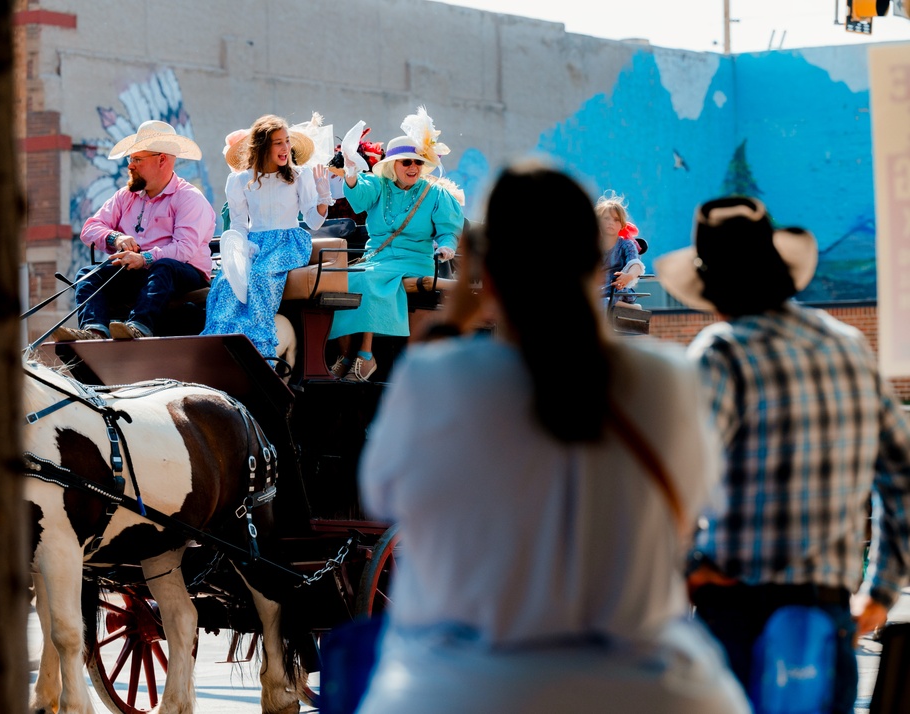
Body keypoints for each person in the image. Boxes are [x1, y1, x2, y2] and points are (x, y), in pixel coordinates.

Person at [352, 160, 750, 713]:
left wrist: (451, 322)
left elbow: (383, 497)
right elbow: (690, 516)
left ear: (487, 275)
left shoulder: (438, 376)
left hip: (458, 689)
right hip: (648, 688)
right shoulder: (667, 380)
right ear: (595, 261)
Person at [653, 195, 910, 713]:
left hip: (737, 612)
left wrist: (685, 565)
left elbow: (674, 480)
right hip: (829, 612)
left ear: (712, 289)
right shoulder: (852, 347)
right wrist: (881, 590)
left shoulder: (722, 351)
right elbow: (902, 476)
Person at [327, 107, 465, 382]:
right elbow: (360, 195)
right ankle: (345, 355)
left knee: (369, 279)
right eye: (405, 163)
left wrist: (447, 247)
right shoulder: (380, 184)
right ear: (393, 165)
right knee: (338, 282)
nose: (413, 167)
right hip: (376, 257)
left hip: (415, 259)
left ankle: (366, 357)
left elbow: (449, 231)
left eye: (417, 162)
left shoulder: (436, 193)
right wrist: (351, 175)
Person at [53, 120, 216, 341]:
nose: (130, 166)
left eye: (137, 160)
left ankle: (139, 327)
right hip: (139, 272)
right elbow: (90, 228)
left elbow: (184, 250)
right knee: (87, 275)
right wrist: (116, 237)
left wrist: (143, 258)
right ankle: (95, 332)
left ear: (161, 160)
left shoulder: (189, 198)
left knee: (164, 266)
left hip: (182, 274)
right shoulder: (125, 196)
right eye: (131, 159)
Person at [200, 114, 332, 359]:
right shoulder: (239, 180)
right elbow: (239, 224)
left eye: (287, 141)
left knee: (260, 277)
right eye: (278, 142)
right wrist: (243, 245)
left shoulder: (299, 176)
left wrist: (323, 198)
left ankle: (260, 351)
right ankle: (218, 348)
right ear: (263, 147)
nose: (286, 148)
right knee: (226, 282)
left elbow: (313, 221)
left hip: (288, 242)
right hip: (254, 243)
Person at [596, 192, 645, 306]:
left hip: (616, 288)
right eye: (606, 218)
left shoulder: (626, 245)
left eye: (616, 219)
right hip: (597, 290)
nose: (610, 223)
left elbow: (635, 264)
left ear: (622, 225)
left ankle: (625, 307)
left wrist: (629, 276)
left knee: (600, 303)